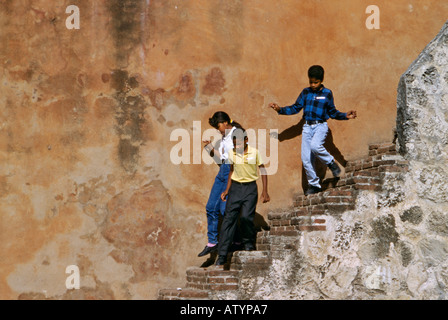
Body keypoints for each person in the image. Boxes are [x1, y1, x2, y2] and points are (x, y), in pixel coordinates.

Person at [269, 65, 357, 195]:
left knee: (316, 146)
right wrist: (280, 109)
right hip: (307, 127)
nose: (313, 85)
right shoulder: (306, 92)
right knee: (306, 159)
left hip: (320, 126)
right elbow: (295, 107)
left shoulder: (327, 93)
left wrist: (345, 115)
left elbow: (332, 112)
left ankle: (331, 163)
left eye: (316, 82)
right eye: (311, 82)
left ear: (321, 81)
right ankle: (314, 184)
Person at [215, 128, 270, 267]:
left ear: (246, 140)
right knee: (228, 219)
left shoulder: (255, 152)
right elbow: (232, 170)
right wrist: (227, 190)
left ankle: (248, 243)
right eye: (235, 144)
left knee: (246, 217)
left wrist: (265, 191)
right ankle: (222, 255)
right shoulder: (231, 153)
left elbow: (262, 169)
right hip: (235, 188)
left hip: (250, 189)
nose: (237, 146)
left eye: (239, 143)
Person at [198, 112, 243, 257]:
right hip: (223, 171)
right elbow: (222, 158)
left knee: (225, 211)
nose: (219, 131)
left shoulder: (238, 133)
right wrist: (210, 147)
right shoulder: (225, 136)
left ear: (225, 122)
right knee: (211, 207)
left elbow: (239, 158)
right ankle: (213, 242)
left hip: (232, 171)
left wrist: (232, 182)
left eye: (219, 127)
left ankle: (236, 241)